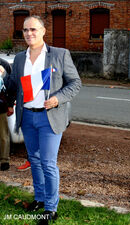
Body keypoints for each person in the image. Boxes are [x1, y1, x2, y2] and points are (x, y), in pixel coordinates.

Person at [4, 15, 81, 224]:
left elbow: (75, 83)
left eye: (33, 29)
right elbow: (12, 86)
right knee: (34, 160)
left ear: (43, 31)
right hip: (27, 116)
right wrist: (3, 80)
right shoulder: (20, 58)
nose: (29, 33)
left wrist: (58, 98)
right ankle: (39, 198)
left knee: (48, 163)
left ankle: (51, 207)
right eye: (25, 30)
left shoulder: (60, 54)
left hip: (49, 118)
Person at [0, 58, 12, 171]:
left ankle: (4, 160)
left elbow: (10, 85)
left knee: (3, 135)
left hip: (1, 106)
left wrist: (10, 104)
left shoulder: (4, 64)